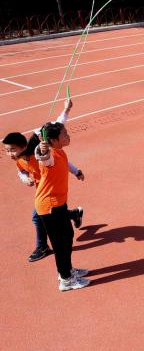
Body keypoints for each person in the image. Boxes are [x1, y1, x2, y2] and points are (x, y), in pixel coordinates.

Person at [2, 99, 83, 263]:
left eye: (12, 150)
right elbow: (21, 171)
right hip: (43, 191)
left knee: (38, 216)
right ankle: (74, 214)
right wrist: (25, 178)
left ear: (23, 146)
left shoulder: (39, 153)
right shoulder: (19, 159)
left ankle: (43, 247)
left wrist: (66, 110)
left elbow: (57, 126)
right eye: (6, 151)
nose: (9, 154)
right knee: (50, 216)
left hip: (51, 191)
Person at [34, 122, 90, 291]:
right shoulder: (49, 155)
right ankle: (65, 279)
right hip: (49, 207)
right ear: (53, 140)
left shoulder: (59, 151)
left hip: (58, 203)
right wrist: (41, 151)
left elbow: (63, 163)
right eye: (64, 134)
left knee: (67, 236)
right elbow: (44, 158)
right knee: (60, 243)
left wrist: (76, 172)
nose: (68, 135)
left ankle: (68, 270)